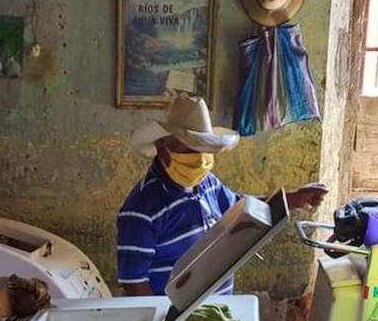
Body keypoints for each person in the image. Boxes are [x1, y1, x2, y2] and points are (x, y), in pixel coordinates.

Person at [117, 95, 327, 296]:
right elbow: (134, 285)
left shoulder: (207, 183)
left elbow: (243, 209)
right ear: (163, 148)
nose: (200, 160)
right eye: (190, 148)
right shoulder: (141, 210)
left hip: (215, 306)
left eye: (205, 148)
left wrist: (293, 199)